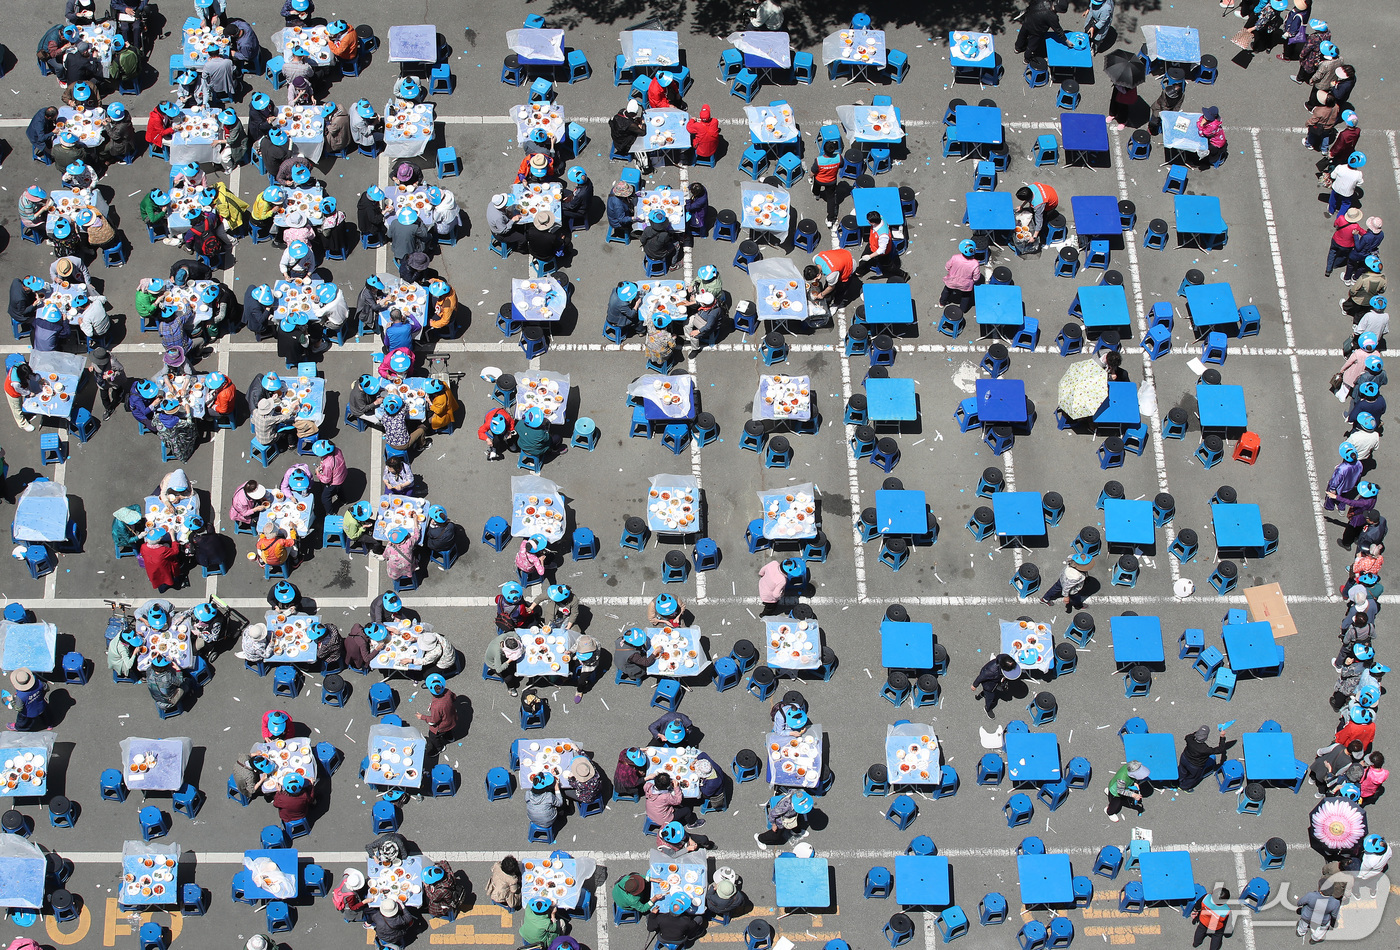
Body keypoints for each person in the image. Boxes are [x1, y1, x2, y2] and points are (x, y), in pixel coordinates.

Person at [415, 673, 457, 758]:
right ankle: (450, 737)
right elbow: (454, 697)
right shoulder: (448, 692)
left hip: (441, 725)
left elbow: (434, 720)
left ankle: (440, 748)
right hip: (452, 719)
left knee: (433, 736)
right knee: (448, 730)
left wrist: (422, 717)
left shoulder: (436, 706)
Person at [1178, 725, 1229, 792]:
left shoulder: (1189, 739)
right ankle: (1184, 787)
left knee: (1181, 770)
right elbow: (1220, 749)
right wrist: (1222, 737)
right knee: (1192, 778)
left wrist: (1198, 732)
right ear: (1205, 738)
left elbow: (1188, 736)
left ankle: (1176, 781)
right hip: (1195, 766)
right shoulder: (1205, 749)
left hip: (1184, 758)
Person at [854, 210, 903, 279]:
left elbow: (881, 250)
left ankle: (902, 274)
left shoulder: (883, 235)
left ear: (873, 223)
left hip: (882, 253)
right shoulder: (880, 218)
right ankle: (859, 272)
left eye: (869, 221)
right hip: (872, 244)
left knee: (888, 266)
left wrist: (870, 256)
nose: (868, 222)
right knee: (863, 261)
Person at [971, 653, 1018, 718]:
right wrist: (974, 685)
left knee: (990, 692)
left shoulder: (1003, 658)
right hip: (989, 685)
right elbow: (981, 677)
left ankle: (981, 695)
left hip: (995, 680)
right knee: (990, 697)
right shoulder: (991, 671)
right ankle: (987, 708)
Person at [941, 240, 981, 312]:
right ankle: (962, 309)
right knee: (966, 296)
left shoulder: (955, 257)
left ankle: (942, 303)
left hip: (951, 281)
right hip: (965, 285)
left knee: (946, 291)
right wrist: (974, 280)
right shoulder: (975, 263)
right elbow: (976, 277)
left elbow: (947, 267)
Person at [610, 100, 648, 170]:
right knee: (638, 135)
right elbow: (643, 133)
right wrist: (643, 123)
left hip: (616, 135)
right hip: (622, 143)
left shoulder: (622, 111)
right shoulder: (630, 125)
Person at [1346, 217, 1385, 284]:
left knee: (1350, 264)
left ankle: (1347, 279)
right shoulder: (1381, 234)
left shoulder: (1367, 237)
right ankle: (1355, 279)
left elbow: (1358, 247)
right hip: (1368, 255)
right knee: (1362, 267)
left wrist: (1355, 235)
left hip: (1358, 254)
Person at [1328, 151, 1365, 219]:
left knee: (1333, 199)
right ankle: (1339, 218)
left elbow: (1333, 176)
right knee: (1345, 204)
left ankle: (1331, 211)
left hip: (1336, 188)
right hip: (1347, 192)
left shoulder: (1340, 167)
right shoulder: (1358, 174)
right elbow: (1360, 183)